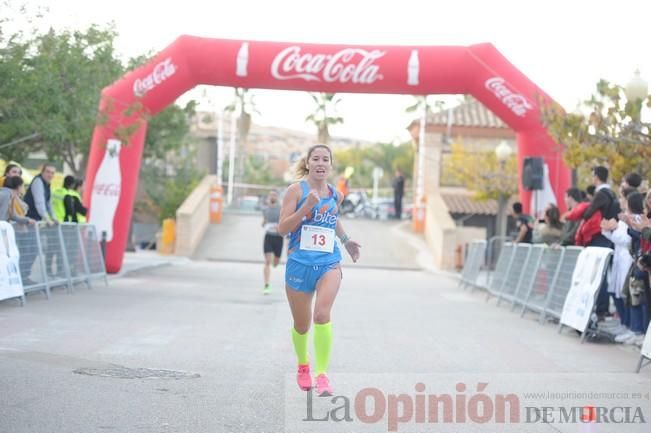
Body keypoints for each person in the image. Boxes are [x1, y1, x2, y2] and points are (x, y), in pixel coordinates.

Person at [278, 144, 361, 397]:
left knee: (322, 315)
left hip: (328, 262)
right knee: (301, 325)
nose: (321, 163)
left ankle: (322, 374)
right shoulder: (296, 190)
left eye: (326, 159)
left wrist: (346, 241)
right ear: (309, 163)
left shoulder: (336, 195)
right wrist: (305, 208)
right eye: (316, 159)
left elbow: (332, 218)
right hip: (300, 264)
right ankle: (304, 365)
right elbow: (282, 228)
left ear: (331, 165)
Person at [261, 189, 283, 294]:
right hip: (268, 237)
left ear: (277, 197)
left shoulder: (281, 209)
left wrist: (279, 226)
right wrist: (264, 224)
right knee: (267, 261)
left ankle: (276, 259)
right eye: (271, 195)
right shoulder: (265, 209)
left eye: (274, 195)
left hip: (279, 238)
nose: (272, 197)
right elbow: (264, 221)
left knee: (275, 263)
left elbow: (284, 221)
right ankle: (266, 285)